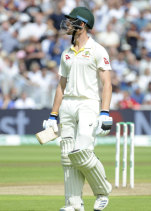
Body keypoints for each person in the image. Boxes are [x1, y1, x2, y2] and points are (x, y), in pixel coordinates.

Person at [42, 7, 113, 211]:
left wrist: (105, 112)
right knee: (67, 155)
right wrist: (53, 115)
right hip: (68, 106)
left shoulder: (98, 50)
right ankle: (73, 204)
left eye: (72, 21)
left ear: (82, 24)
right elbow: (61, 86)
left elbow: (107, 83)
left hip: (88, 103)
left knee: (81, 151)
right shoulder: (66, 53)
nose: (68, 24)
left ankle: (102, 190)